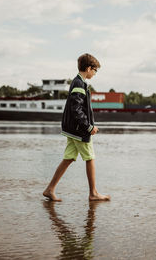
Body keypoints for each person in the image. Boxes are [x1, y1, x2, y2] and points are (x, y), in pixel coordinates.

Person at [43, 53, 110, 202]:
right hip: (79, 130)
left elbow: (76, 108)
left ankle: (50, 189)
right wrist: (88, 127)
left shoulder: (78, 82)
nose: (95, 73)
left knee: (68, 158)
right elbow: (76, 109)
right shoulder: (79, 84)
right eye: (95, 70)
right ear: (88, 68)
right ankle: (93, 193)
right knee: (90, 158)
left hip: (72, 129)